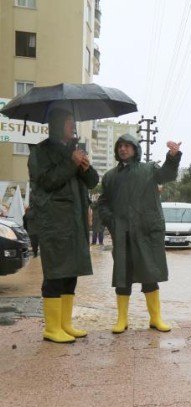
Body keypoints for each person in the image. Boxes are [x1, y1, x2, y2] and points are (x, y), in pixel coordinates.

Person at [98, 134, 182, 334]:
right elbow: (102, 203)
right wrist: (112, 222)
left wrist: (173, 156)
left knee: (149, 275)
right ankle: (121, 320)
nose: (123, 149)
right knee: (122, 277)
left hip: (145, 233)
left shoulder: (149, 169)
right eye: (120, 146)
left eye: (128, 146)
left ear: (135, 149)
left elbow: (167, 175)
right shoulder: (110, 177)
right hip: (122, 233)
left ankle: (156, 318)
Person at [28, 108, 99, 343]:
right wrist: (71, 163)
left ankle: (65, 324)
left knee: (71, 273)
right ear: (57, 124)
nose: (73, 125)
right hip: (54, 221)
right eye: (69, 121)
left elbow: (93, 182)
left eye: (73, 121)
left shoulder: (74, 150)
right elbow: (47, 181)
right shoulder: (41, 151)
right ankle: (51, 328)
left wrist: (86, 167)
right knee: (56, 273)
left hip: (76, 220)